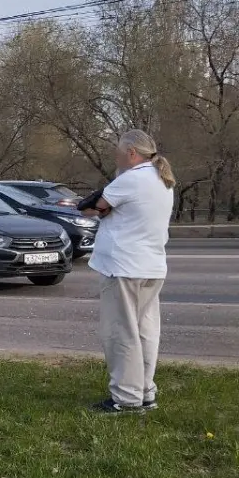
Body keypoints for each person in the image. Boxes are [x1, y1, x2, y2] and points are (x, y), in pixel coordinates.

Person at [82, 129, 175, 414]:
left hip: (123, 267)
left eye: (119, 151)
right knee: (146, 330)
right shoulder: (162, 180)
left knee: (121, 332)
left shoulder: (131, 179)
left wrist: (100, 208)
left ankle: (125, 397)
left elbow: (93, 208)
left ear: (131, 153)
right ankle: (145, 391)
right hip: (151, 266)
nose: (116, 155)